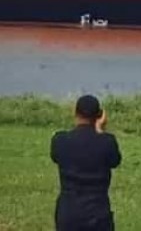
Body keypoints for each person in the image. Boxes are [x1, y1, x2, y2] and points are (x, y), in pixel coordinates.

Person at [51, 94, 122, 231]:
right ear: (99, 116)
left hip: (68, 213)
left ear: (75, 113)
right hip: (98, 212)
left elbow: (55, 157)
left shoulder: (60, 140)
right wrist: (100, 131)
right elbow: (115, 161)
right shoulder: (107, 142)